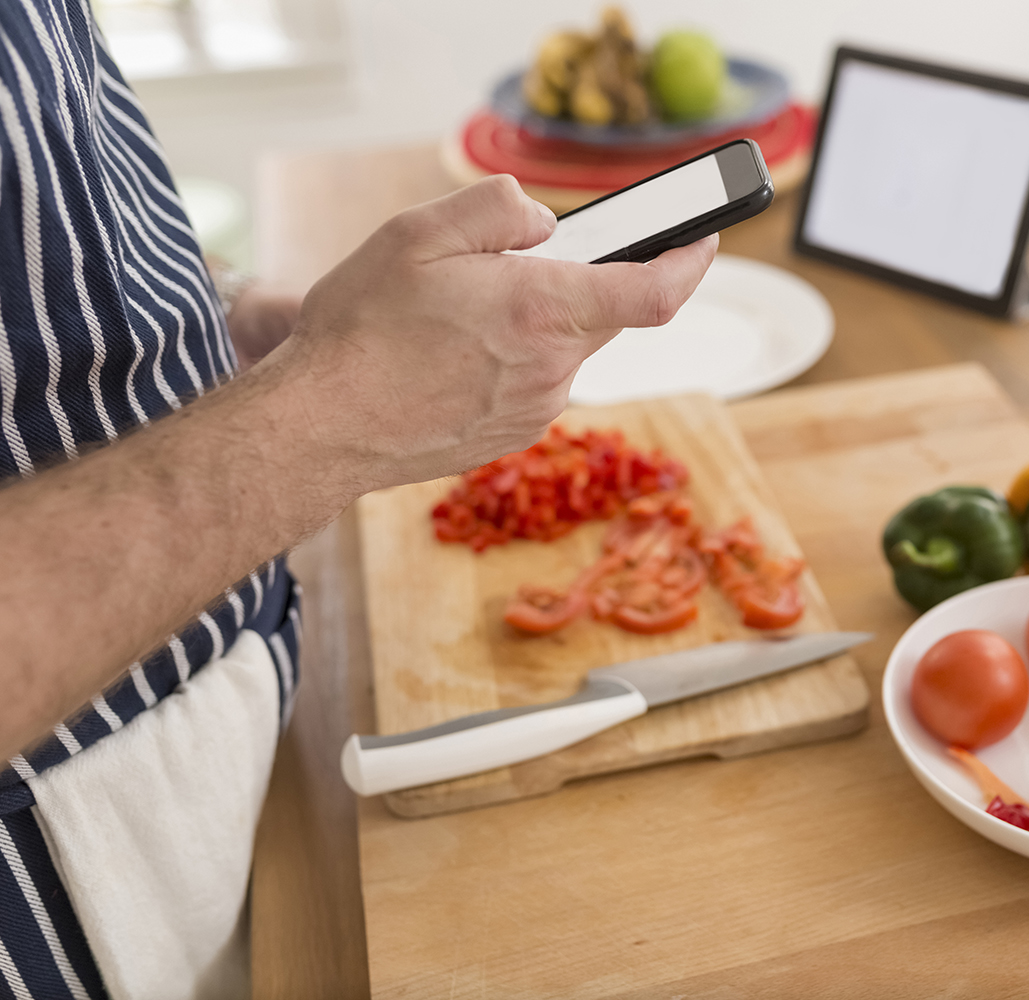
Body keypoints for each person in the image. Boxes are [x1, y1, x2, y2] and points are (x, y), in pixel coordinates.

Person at [0, 2, 716, 997]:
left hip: (240, 758)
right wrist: (329, 413)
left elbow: (47, 178)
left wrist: (215, 315)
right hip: (68, 896)